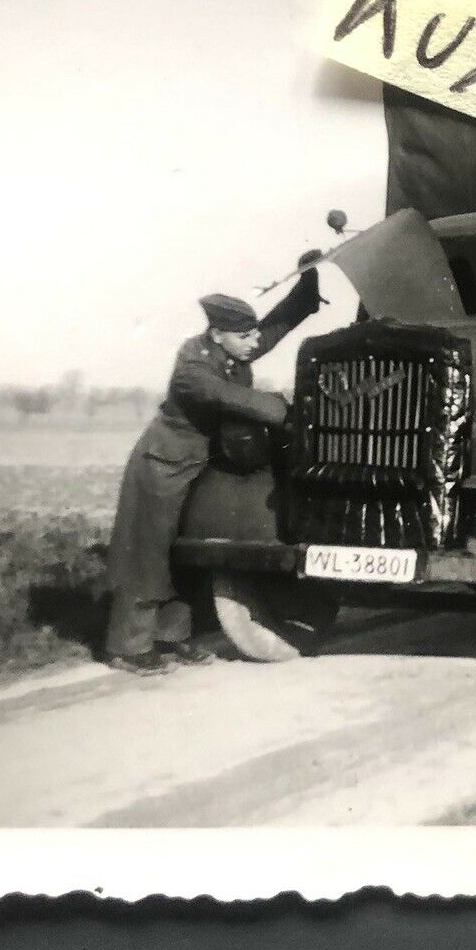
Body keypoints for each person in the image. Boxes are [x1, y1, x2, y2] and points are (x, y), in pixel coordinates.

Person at [104, 262, 323, 675]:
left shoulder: (233, 349)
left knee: (191, 552)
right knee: (148, 552)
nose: (255, 342)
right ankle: (128, 648)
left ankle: (172, 638)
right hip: (165, 464)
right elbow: (223, 395)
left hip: (204, 465)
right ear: (217, 334)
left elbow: (272, 328)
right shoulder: (193, 365)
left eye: (252, 334)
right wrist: (284, 409)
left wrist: (306, 286)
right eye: (245, 336)